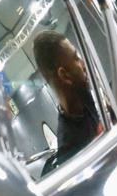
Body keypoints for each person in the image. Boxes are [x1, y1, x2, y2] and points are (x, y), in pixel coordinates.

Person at [33, 30, 102, 176]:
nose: (83, 64)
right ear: (65, 75)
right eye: (76, 58)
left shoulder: (86, 99)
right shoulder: (71, 152)